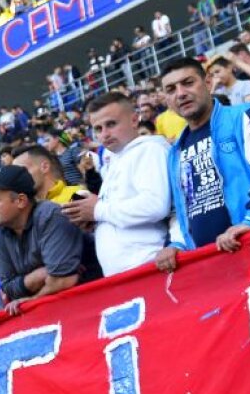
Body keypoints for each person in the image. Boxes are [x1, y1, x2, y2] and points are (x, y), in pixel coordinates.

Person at [154, 58, 250, 271]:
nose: (181, 93)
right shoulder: (174, 151)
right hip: (214, 268)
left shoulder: (248, 114)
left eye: (188, 82)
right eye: (171, 89)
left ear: (208, 82)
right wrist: (176, 244)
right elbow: (180, 208)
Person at [62, 93, 171, 276]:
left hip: (149, 267)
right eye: (98, 128)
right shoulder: (117, 159)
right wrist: (93, 219)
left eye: (111, 124)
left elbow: (155, 206)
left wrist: (98, 210)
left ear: (135, 120)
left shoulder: (149, 150)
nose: (104, 134)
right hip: (128, 273)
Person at [0, 165, 85, 312]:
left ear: (21, 201)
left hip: (82, 307)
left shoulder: (50, 215)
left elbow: (64, 280)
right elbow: (8, 287)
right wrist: (38, 276)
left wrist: (32, 300)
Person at [12, 146, 102, 282]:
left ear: (44, 167)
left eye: (23, 171)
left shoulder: (78, 195)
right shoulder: (23, 213)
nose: (17, 179)